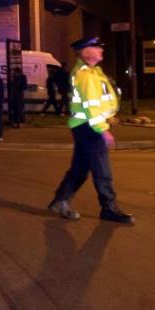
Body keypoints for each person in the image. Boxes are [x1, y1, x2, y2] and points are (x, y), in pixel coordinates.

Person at [48, 37, 134, 224]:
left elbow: (98, 101)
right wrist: (103, 129)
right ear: (86, 52)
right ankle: (108, 208)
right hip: (90, 127)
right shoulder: (86, 75)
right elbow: (91, 106)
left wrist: (108, 116)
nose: (101, 49)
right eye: (96, 47)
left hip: (84, 127)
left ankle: (61, 199)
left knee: (79, 168)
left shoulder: (92, 72)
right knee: (102, 170)